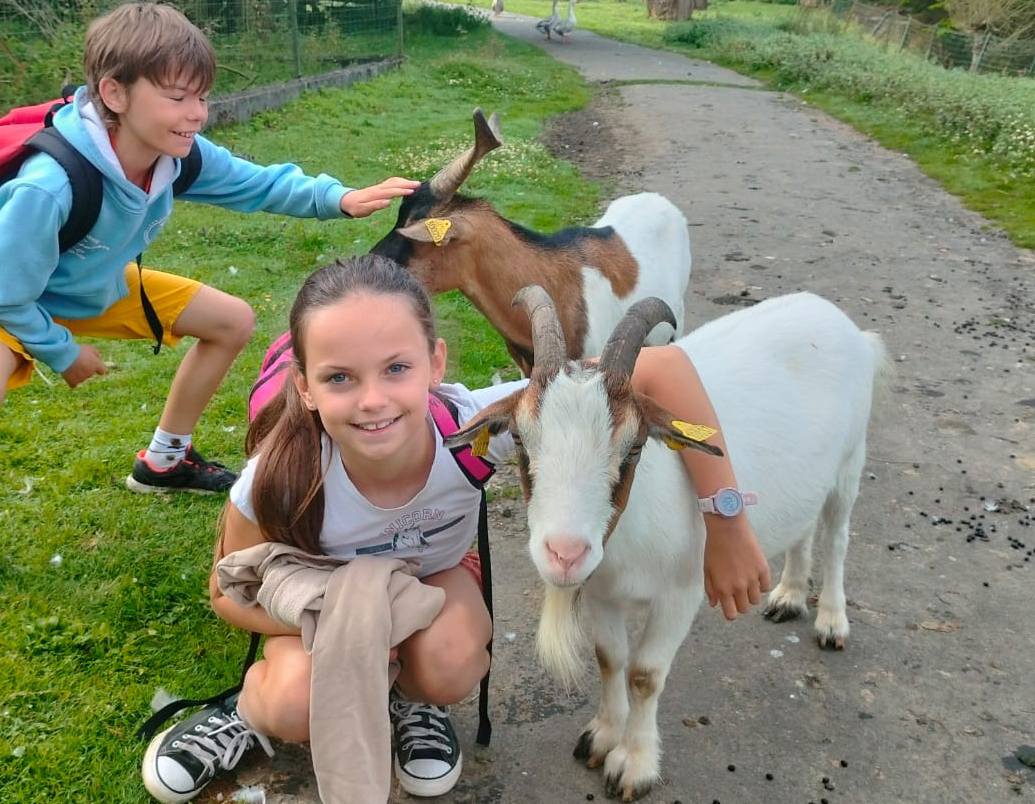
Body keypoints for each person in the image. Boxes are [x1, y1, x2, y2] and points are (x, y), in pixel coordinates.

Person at [140, 255, 770, 803]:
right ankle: (243, 711)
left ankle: (412, 700)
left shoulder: (484, 424)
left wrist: (728, 521)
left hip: (428, 577)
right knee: (292, 703)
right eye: (339, 377)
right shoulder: (277, 475)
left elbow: (661, 366)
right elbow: (227, 594)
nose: (373, 400)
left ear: (435, 363)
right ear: (302, 387)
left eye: (396, 369)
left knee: (453, 662)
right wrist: (350, 630)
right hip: (316, 597)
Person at [0, 2, 421, 613]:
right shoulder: (49, 183)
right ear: (115, 93)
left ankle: (164, 461)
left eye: (202, 97)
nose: (196, 115)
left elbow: (258, 182)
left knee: (231, 320)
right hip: (13, 298)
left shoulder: (174, 155)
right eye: (177, 97)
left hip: (98, 285)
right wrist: (62, 351)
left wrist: (339, 198)